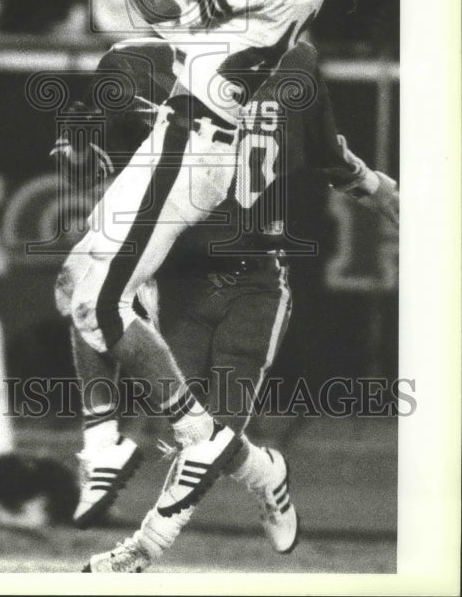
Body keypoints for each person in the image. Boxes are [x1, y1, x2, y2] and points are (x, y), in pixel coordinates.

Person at [57, 0, 342, 551]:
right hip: (196, 127)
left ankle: (185, 435)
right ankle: (242, 463)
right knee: (78, 278)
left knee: (99, 301)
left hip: (192, 138)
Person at [51, 36, 398, 571]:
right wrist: (376, 187)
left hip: (257, 278)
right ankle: (266, 472)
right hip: (186, 276)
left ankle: (144, 548)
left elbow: (325, 150)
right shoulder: (155, 63)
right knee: (189, 430)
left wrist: (377, 187)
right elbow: (108, 166)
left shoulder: (274, 61)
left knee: (210, 436)